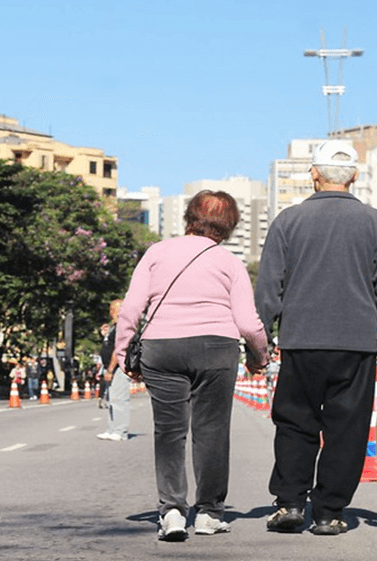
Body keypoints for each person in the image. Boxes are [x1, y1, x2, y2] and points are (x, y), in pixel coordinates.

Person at [255, 140, 377, 537]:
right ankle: (328, 511)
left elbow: (269, 289)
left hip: (300, 340)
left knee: (294, 421)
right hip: (355, 343)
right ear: (355, 177)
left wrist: (258, 340)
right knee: (347, 429)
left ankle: (290, 503)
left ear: (314, 174)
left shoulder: (288, 221)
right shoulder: (375, 223)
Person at [115, 190, 268, 542]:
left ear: (188, 217)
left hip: (162, 348)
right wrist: (260, 357)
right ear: (229, 226)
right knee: (211, 432)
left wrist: (124, 353)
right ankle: (209, 514)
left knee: (169, 432)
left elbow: (130, 309)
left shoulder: (156, 252)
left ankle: (171, 511)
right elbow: (247, 321)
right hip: (216, 350)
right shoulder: (229, 262)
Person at [99, 299, 132, 442]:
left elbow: (118, 350)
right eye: (111, 309)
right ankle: (112, 428)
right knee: (112, 399)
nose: (111, 312)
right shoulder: (113, 327)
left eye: (114, 309)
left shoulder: (123, 326)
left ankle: (121, 431)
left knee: (119, 399)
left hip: (119, 368)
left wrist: (111, 369)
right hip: (110, 367)